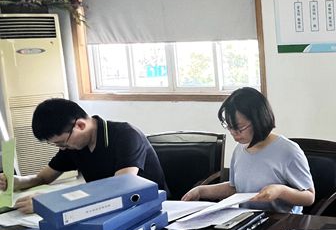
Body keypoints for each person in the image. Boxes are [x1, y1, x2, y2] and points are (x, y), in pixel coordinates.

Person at [0, 98, 168, 213]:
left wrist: (54, 200)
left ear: (80, 125)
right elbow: (43, 178)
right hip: (108, 208)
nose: (63, 149)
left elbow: (121, 186)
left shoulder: (125, 134)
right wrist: (17, 181)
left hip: (149, 205)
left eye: (62, 143)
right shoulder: (74, 145)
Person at [182, 87, 314, 213]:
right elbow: (236, 188)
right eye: (229, 127)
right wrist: (201, 191)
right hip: (248, 219)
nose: (233, 133)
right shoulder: (240, 149)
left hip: (281, 220)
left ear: (259, 120)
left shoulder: (288, 151)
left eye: (239, 128)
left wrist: (280, 191)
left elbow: (309, 197)